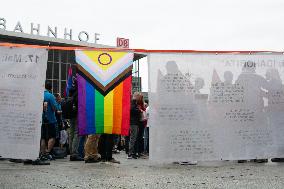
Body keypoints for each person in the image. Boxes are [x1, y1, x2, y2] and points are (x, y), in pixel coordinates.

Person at [40, 81, 58, 161]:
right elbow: (55, 108)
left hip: (41, 119)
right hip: (50, 119)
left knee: (43, 137)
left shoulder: (39, 94)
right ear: (51, 88)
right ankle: (47, 152)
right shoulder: (50, 96)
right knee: (52, 136)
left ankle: (42, 153)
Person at [128, 93, 142, 159]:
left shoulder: (134, 102)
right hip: (133, 123)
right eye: (139, 97)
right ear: (136, 96)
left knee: (134, 138)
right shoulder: (133, 102)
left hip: (134, 122)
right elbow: (131, 110)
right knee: (133, 138)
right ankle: (130, 153)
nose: (140, 98)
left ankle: (132, 153)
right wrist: (139, 110)